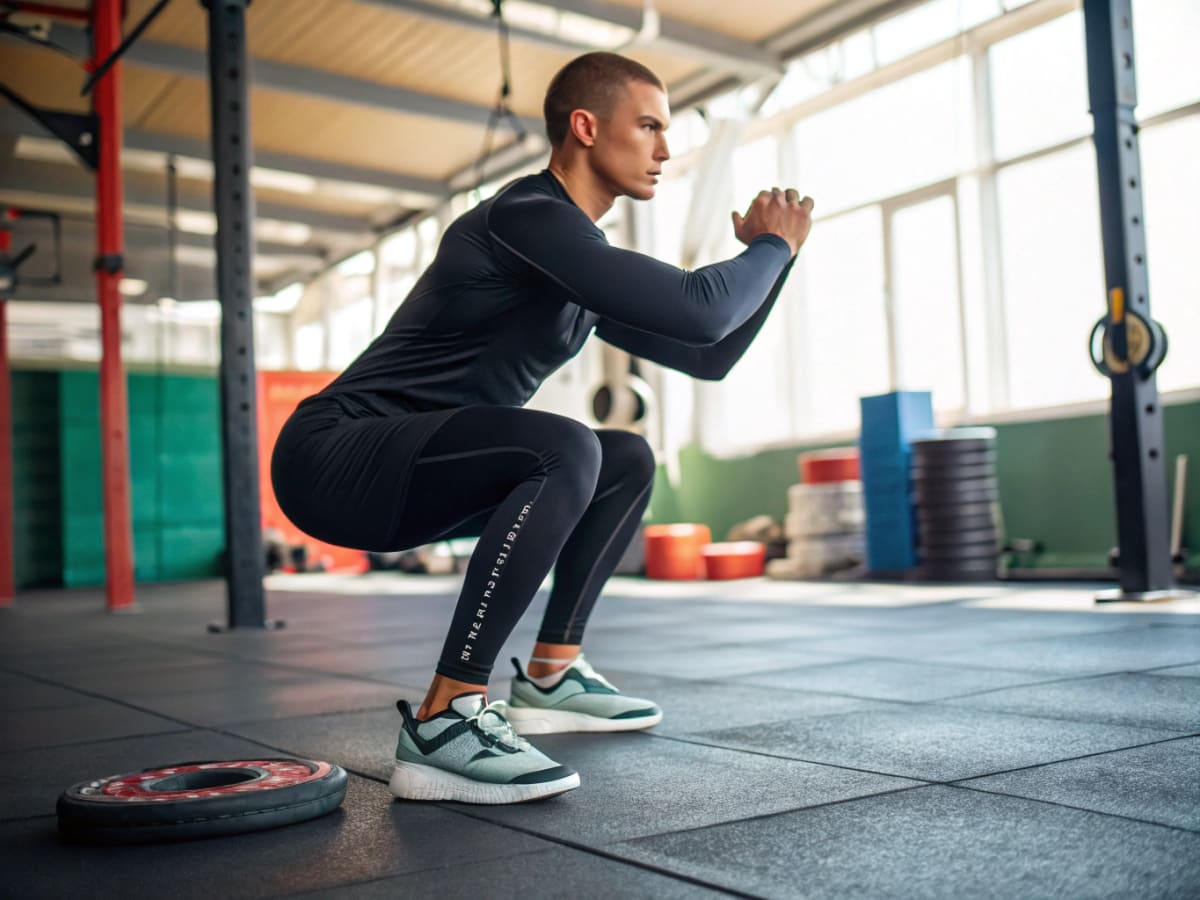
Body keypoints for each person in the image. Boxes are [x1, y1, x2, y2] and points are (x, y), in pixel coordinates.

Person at [271, 51, 814, 805]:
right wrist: (770, 246)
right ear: (586, 127)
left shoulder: (574, 265)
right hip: (335, 456)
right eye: (650, 125)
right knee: (566, 444)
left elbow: (710, 350)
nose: (665, 149)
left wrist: (778, 262)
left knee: (624, 456)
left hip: (413, 467)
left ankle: (553, 674)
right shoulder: (525, 216)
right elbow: (700, 304)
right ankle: (445, 718)